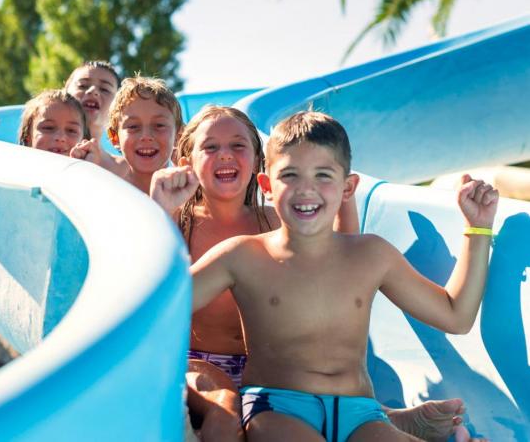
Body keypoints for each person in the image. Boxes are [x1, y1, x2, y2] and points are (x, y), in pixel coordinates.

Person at [151, 107, 478, 441]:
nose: (306, 189)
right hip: (275, 405)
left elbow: (456, 316)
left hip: (359, 412)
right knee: (227, 417)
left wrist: (478, 229)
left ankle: (396, 420)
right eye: (290, 175)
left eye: (323, 175)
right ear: (268, 184)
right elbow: (155, 309)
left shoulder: (370, 254)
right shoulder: (242, 253)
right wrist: (158, 213)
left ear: (348, 187)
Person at [98, 76, 184, 194]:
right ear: (114, 137)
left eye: (159, 125)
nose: (146, 136)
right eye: (133, 127)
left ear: (178, 136)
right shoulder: (108, 195)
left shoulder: (192, 200)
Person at [64, 60, 130, 176]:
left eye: (104, 89)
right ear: (64, 93)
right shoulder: (46, 148)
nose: (93, 91)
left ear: (118, 107)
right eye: (82, 86)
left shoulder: (126, 170)